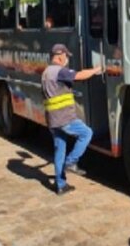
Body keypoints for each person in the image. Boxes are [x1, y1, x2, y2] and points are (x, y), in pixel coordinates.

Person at [41, 44, 102, 195]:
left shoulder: (46, 72)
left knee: (59, 149)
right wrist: (96, 70)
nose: (67, 59)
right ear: (60, 56)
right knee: (86, 133)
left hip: (52, 119)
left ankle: (60, 185)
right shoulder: (59, 71)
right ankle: (71, 162)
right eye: (66, 56)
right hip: (64, 117)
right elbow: (79, 75)